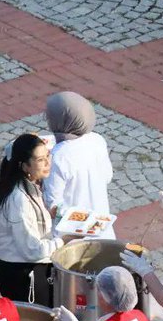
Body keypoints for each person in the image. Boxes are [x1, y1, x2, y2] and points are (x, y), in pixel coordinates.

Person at [0, 133, 61, 307]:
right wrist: (62, 242)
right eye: (40, 159)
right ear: (24, 166)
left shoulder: (24, 185)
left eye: (48, 156)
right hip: (22, 273)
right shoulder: (19, 200)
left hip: (22, 266)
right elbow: (32, 250)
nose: (48, 163)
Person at [44, 91, 115, 238]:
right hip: (102, 228)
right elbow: (107, 177)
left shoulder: (58, 156)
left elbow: (53, 205)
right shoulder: (97, 140)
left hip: (72, 236)